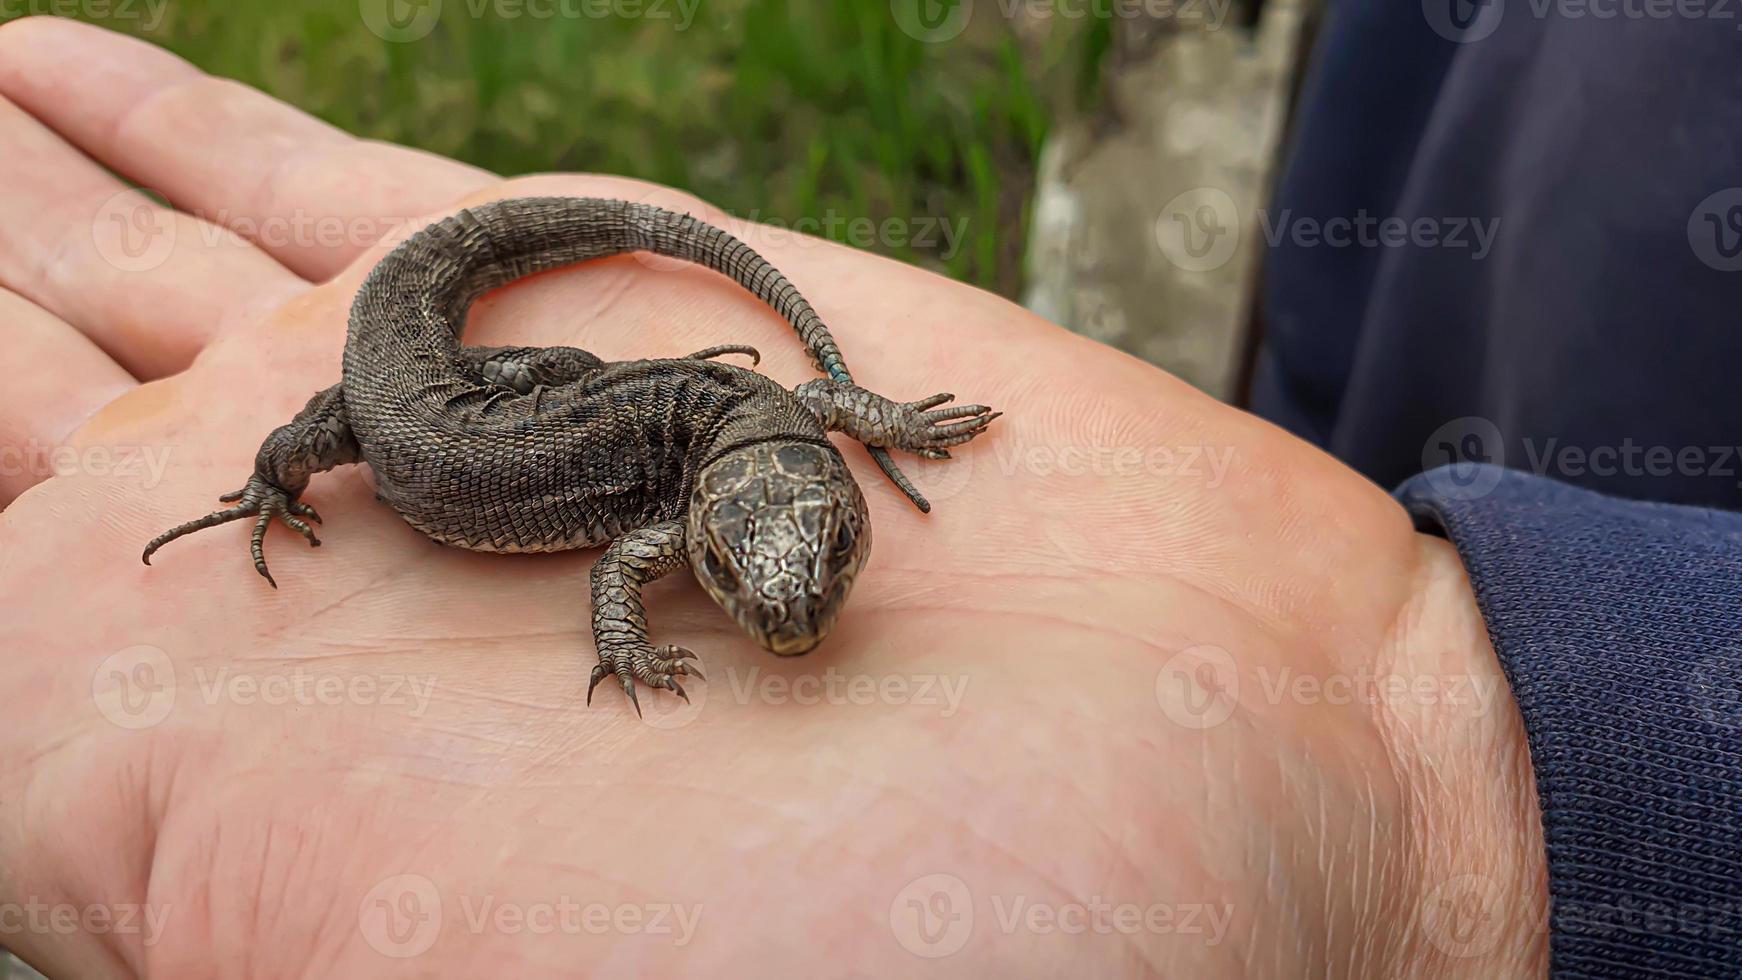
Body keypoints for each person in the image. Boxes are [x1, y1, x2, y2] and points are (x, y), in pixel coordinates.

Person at [0, 15, 1718, 980]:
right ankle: (266, 475)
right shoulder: (681, 490)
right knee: (319, 439)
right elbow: (634, 561)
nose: (789, 612)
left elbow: (759, 443)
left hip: (538, 402)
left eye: (789, 579)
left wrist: (1433, 794)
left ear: (814, 493)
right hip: (415, 412)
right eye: (763, 590)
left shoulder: (757, 457)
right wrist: (290, 477)